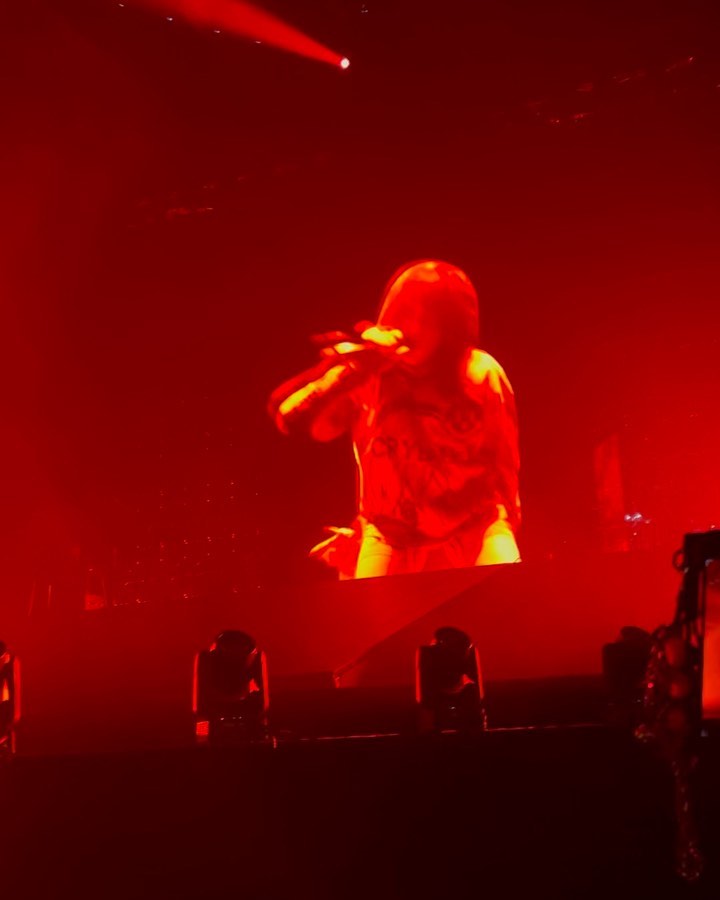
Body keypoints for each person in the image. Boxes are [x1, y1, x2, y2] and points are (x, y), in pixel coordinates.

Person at [268, 259, 520, 578]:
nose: (413, 325)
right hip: (390, 532)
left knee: (510, 589)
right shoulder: (372, 373)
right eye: (405, 312)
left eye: (427, 317)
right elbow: (299, 422)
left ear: (450, 324)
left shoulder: (481, 373)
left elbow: (504, 460)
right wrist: (352, 371)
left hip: (474, 526)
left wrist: (506, 525)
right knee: (368, 607)